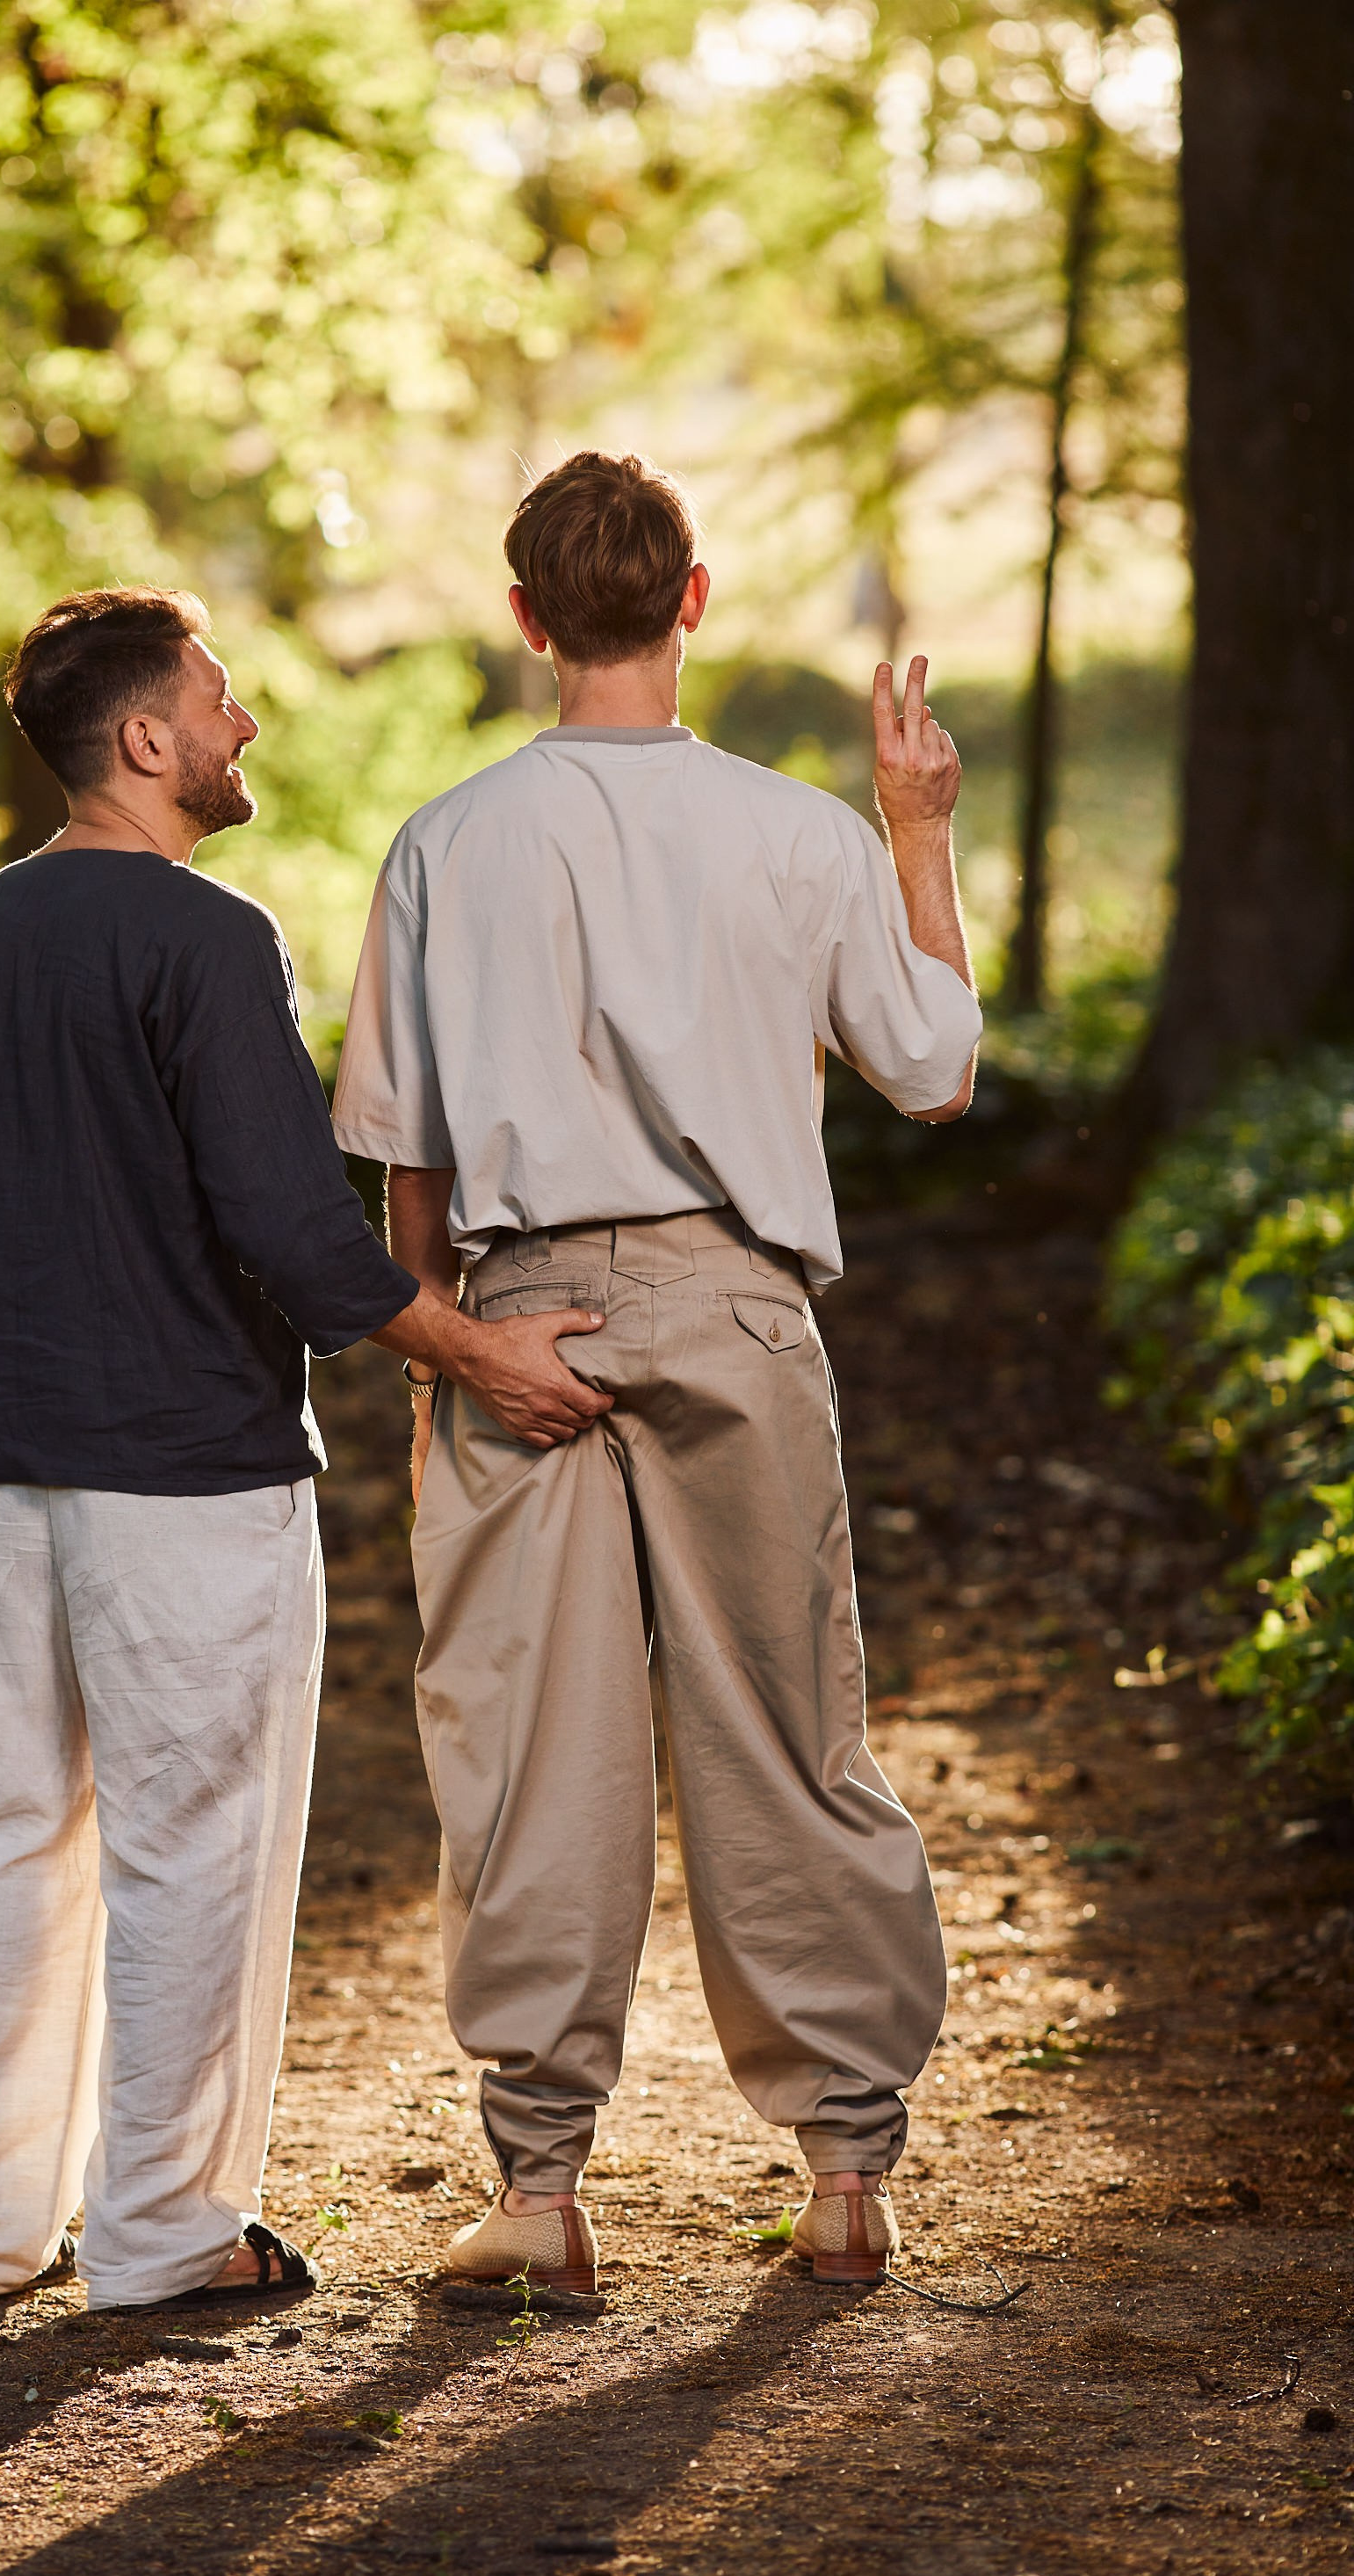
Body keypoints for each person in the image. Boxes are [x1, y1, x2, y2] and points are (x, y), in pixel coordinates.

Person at [0, 584, 608, 2313]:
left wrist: (3, 1388)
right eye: (219, 700)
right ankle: (160, 2231)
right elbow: (292, 1229)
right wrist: (469, 1352)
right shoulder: (205, 941)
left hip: (5, 1469)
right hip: (186, 1478)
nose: (244, 728)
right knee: (190, 1842)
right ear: (145, 738)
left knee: (1, 1830)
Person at [332, 453, 981, 2289]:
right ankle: (846, 2170)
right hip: (738, 1308)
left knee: (528, 1752)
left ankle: (538, 2192)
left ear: (527, 620)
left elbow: (410, 1160)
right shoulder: (798, 835)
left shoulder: (446, 843)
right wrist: (915, 826)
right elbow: (931, 1071)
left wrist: (443, 1366)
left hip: (518, 1317)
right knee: (789, 1729)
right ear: (690, 601)